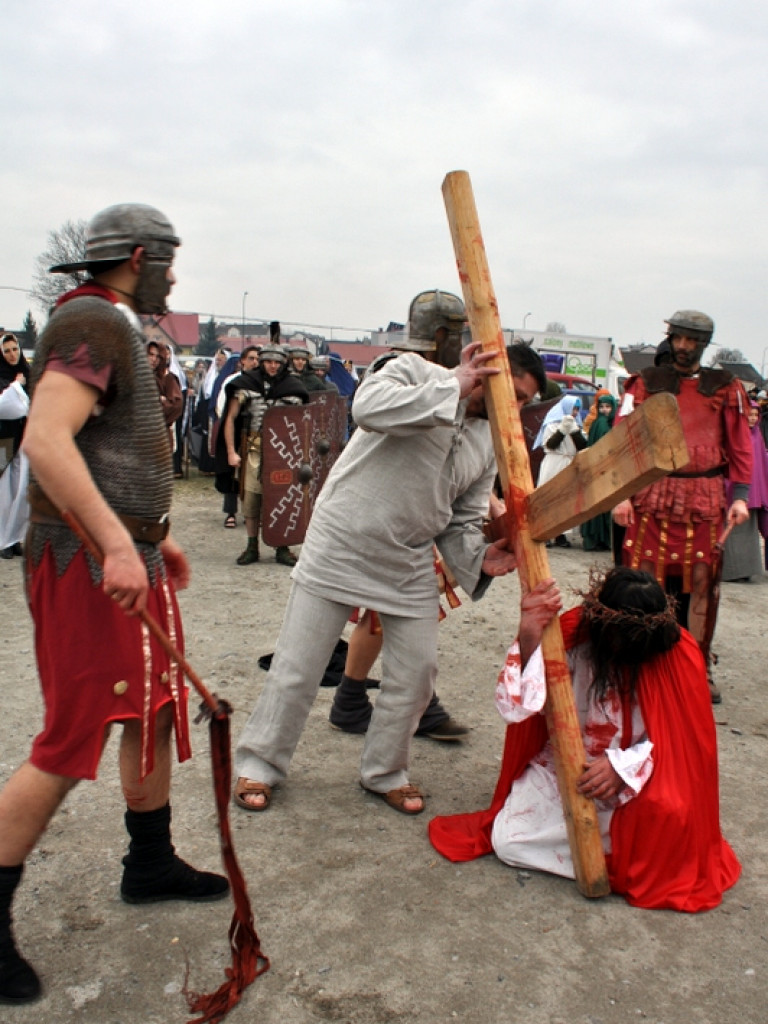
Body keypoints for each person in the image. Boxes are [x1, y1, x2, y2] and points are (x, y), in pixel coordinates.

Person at [0, 204, 229, 1006]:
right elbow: (47, 441)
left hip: (118, 555)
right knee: (70, 739)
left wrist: (145, 534)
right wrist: (115, 542)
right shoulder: (93, 319)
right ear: (141, 256)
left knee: (153, 711)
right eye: (168, 260)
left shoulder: (110, 322)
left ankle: (149, 861)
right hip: (82, 565)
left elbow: (101, 448)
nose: (174, 274)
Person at [233, 339, 546, 816]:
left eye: (524, 402)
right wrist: (453, 386)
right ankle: (260, 762)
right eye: (515, 396)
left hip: (408, 558)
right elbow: (369, 406)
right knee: (299, 665)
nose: (516, 409)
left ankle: (384, 771)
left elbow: (459, 518)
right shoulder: (414, 371)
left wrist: (478, 558)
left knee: (417, 674)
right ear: (488, 374)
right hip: (343, 538)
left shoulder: (490, 443)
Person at [428, 567, 741, 913]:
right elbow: (518, 709)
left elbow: (683, 747)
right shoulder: (571, 637)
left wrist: (622, 767)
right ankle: (615, 857)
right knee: (509, 841)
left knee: (670, 815)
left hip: (640, 775)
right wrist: (529, 634)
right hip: (560, 766)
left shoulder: (676, 654)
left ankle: (615, 853)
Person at [328, 290, 480, 742]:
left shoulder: (442, 376)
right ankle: (357, 699)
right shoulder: (395, 371)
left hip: (420, 512)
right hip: (381, 515)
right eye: (457, 334)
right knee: (381, 612)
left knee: (402, 615)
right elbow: (372, 413)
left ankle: (380, 700)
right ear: (440, 335)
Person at [613, 310, 752, 703]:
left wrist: (740, 496)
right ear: (670, 338)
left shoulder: (727, 388)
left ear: (704, 345)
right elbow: (621, 443)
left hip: (704, 499)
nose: (684, 346)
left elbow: (740, 446)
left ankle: (695, 667)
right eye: (678, 338)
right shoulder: (643, 385)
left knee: (703, 586)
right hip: (650, 496)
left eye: (692, 340)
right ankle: (635, 661)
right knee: (640, 583)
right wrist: (621, 494)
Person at [218, 343, 308, 566]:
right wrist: (231, 451)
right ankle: (251, 546)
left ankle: (282, 546)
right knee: (251, 499)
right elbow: (230, 419)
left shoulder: (294, 387)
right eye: (269, 361)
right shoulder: (245, 385)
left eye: (277, 362)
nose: (273, 366)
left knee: (282, 499)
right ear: (261, 361)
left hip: (284, 454)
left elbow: (303, 424)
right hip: (254, 449)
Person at [722, 401, 768, 581]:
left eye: (756, 415)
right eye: (750, 415)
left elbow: (762, 464)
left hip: (754, 493)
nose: (753, 418)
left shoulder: (757, 436)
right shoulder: (733, 435)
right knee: (731, 532)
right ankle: (731, 572)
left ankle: (746, 571)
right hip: (735, 491)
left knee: (748, 534)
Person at [533, 394, 586, 549]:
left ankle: (560, 534)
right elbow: (550, 445)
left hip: (568, 463)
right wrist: (562, 430)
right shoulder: (551, 425)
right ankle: (545, 532)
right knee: (549, 498)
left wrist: (574, 431)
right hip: (554, 462)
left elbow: (583, 446)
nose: (575, 412)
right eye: (573, 408)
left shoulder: (577, 426)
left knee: (565, 500)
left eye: (577, 409)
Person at [0, 335, 31, 559]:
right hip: (4, 441)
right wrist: (15, 387)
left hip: (24, 440)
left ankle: (13, 538)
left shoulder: (28, 373)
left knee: (20, 492)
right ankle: (2, 541)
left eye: (15, 349)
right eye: (7, 350)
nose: (12, 354)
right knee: (4, 492)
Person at [580, 393, 618, 552]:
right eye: (601, 407)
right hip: (603, 468)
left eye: (608, 407)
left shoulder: (599, 422)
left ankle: (596, 540)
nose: (604, 410)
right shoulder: (602, 424)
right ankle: (601, 539)